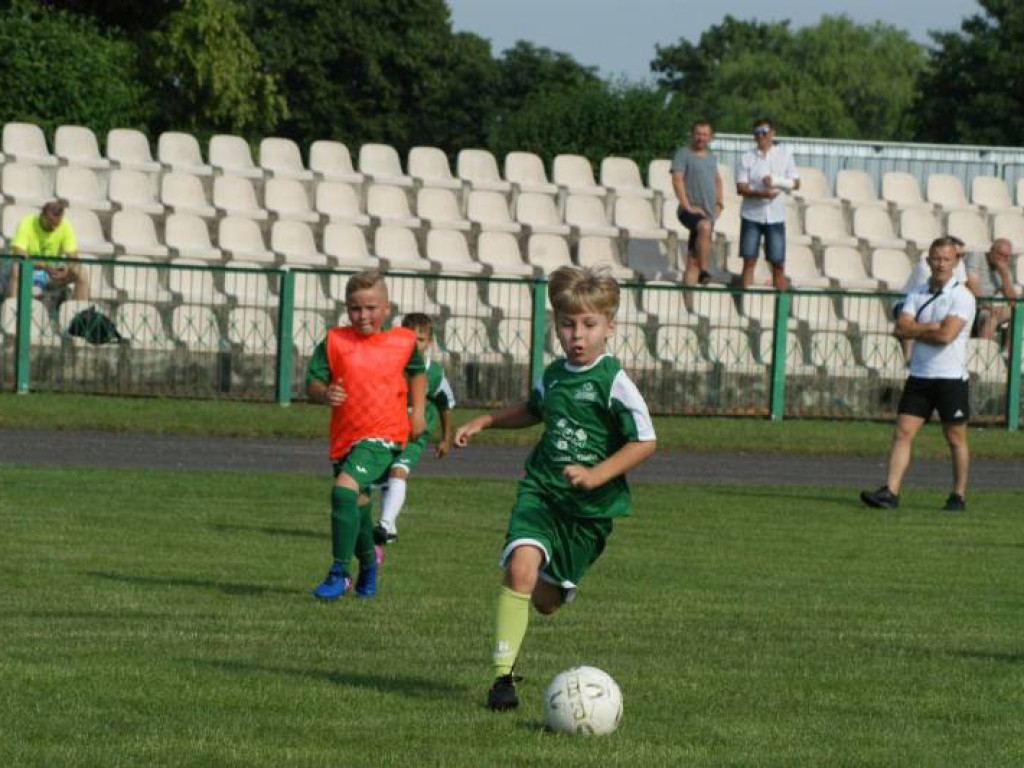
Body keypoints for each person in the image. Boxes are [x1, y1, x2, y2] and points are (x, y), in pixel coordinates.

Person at [454, 265, 657, 711]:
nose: (577, 335)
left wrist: (596, 475)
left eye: (589, 324)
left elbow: (645, 441)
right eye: (568, 324)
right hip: (542, 492)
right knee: (520, 568)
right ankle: (502, 680)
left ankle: (556, 586)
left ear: (610, 327)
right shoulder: (557, 374)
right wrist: (487, 420)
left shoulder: (613, 382)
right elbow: (533, 408)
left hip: (588, 513)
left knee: (545, 601)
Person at [305, 270, 427, 600]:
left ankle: (339, 571)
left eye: (371, 308)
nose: (363, 316)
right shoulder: (334, 341)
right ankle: (369, 565)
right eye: (356, 308)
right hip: (346, 436)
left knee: (343, 492)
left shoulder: (402, 341)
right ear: (347, 308)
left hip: (384, 435)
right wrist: (324, 392)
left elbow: (418, 372)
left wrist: (417, 412)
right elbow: (312, 382)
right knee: (357, 508)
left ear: (387, 308)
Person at [861, 237, 976, 512]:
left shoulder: (962, 296)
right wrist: (932, 326)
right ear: (928, 261)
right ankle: (890, 491)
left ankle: (957, 495)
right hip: (920, 375)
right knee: (902, 432)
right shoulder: (917, 293)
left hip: (950, 378)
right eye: (936, 258)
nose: (940, 264)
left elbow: (946, 336)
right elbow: (900, 329)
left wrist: (920, 328)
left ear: (956, 262)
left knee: (955, 438)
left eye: (947, 259)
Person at [373, 312, 455, 546]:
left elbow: (445, 405)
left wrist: (445, 439)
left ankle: (384, 525)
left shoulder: (435, 373)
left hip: (414, 435)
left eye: (420, 339)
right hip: (388, 430)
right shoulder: (391, 365)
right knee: (385, 477)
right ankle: (389, 526)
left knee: (398, 471)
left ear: (429, 343)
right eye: (409, 337)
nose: (414, 343)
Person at [735, 119, 800, 290]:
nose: (761, 135)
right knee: (749, 262)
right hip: (751, 216)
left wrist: (777, 182)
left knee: (778, 264)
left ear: (772, 133)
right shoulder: (746, 157)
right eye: (757, 132)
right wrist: (760, 194)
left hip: (776, 217)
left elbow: (796, 183)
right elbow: (740, 187)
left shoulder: (785, 155)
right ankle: (745, 306)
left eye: (764, 131)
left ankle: (781, 311)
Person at [2, 201, 89, 304]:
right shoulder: (27, 223)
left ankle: (80, 315)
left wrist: (67, 268)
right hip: (28, 271)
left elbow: (73, 256)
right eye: (50, 222)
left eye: (57, 223)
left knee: (81, 272)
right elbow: (19, 253)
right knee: (17, 266)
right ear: (42, 215)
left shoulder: (65, 226)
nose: (54, 227)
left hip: (50, 274)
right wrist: (43, 266)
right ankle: (13, 312)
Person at [671, 120, 723, 286]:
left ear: (710, 137)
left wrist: (719, 204)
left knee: (693, 258)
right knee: (704, 226)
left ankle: (688, 306)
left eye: (705, 134)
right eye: (698, 133)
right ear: (692, 134)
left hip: (708, 212)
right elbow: (677, 179)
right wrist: (687, 205)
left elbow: (717, 180)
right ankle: (705, 270)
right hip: (690, 211)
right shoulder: (683, 153)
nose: (701, 137)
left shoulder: (711, 158)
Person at [965, 238, 1016, 341]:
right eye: (1000, 254)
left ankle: (1008, 352)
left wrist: (1004, 277)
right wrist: (988, 306)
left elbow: (1013, 301)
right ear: (991, 250)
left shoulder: (1004, 269)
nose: (1002, 259)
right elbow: (971, 284)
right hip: (975, 304)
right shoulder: (977, 256)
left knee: (1019, 313)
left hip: (992, 306)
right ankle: (985, 353)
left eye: (1006, 256)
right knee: (991, 316)